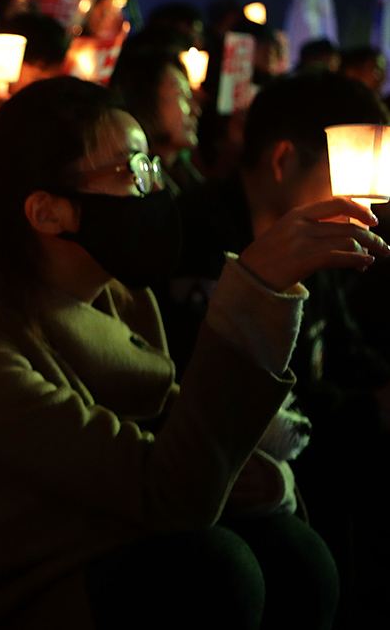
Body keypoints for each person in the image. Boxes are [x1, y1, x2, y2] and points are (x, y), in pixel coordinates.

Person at [0, 76, 383, 628]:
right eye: (134, 171)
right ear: (48, 212)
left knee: (295, 558)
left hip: (94, 545)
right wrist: (256, 290)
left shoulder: (120, 294)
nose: (159, 186)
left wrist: (250, 470)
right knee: (212, 570)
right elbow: (168, 492)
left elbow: (176, 434)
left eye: (153, 166)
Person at [161, 71, 390, 628]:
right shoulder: (189, 240)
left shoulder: (322, 232)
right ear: (284, 159)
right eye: (348, 167)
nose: (359, 194)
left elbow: (340, 346)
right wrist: (367, 409)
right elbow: (203, 387)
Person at [108, 46, 202, 194]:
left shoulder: (189, 181)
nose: (195, 110)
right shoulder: (132, 187)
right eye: (181, 94)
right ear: (145, 101)